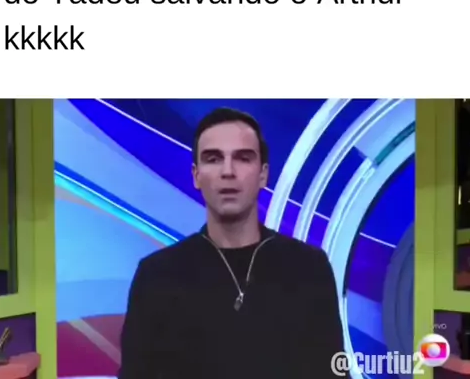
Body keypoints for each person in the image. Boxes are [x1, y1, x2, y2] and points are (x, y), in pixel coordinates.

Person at [118, 107, 344, 379]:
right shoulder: (157, 276)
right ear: (196, 175)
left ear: (263, 175)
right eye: (213, 159)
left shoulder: (308, 268)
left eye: (243, 158)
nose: (228, 171)